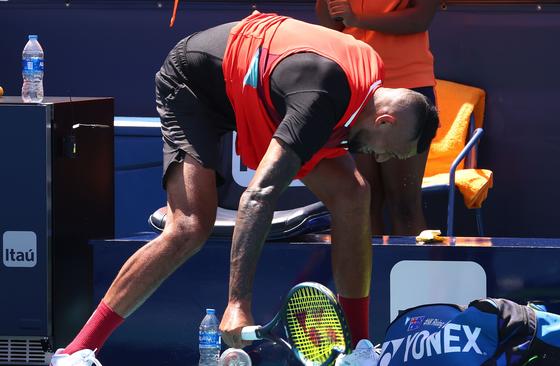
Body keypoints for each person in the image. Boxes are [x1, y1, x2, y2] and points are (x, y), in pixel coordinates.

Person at [50, 11, 437, 366]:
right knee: (188, 228)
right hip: (194, 86)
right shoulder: (321, 97)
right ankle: (77, 351)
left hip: (261, 90)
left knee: (354, 194)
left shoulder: (359, 87)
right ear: (385, 122)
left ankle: (358, 352)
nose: (384, 160)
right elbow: (258, 195)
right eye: (393, 152)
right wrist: (238, 303)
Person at [316, 0, 438, 235]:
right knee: (362, 201)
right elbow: (331, 25)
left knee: (405, 205)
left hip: (408, 87)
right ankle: (366, 273)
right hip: (356, 86)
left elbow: (420, 19)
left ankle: (409, 271)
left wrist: (359, 20)